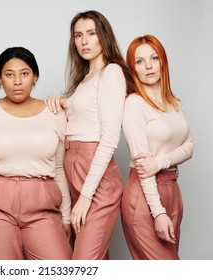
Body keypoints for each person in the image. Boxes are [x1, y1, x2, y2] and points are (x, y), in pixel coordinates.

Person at [44, 10, 134, 259]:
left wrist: (85, 197)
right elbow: (79, 119)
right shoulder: (83, 80)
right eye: (78, 35)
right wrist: (59, 100)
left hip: (96, 175)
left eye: (91, 34)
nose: (84, 41)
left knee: (83, 262)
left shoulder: (111, 72)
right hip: (73, 168)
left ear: (103, 36)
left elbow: (109, 138)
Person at [0, 47, 72, 260]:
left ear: (35, 76)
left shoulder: (55, 113)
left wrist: (67, 216)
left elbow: (59, 168)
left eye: (24, 74)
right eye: (9, 74)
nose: (17, 81)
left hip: (43, 205)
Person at [121, 34, 194, 260]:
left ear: (163, 61)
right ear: (133, 67)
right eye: (140, 61)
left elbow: (190, 145)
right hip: (145, 196)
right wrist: (158, 212)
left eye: (154, 58)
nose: (149, 66)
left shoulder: (173, 102)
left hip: (173, 190)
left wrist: (160, 162)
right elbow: (144, 168)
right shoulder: (134, 104)